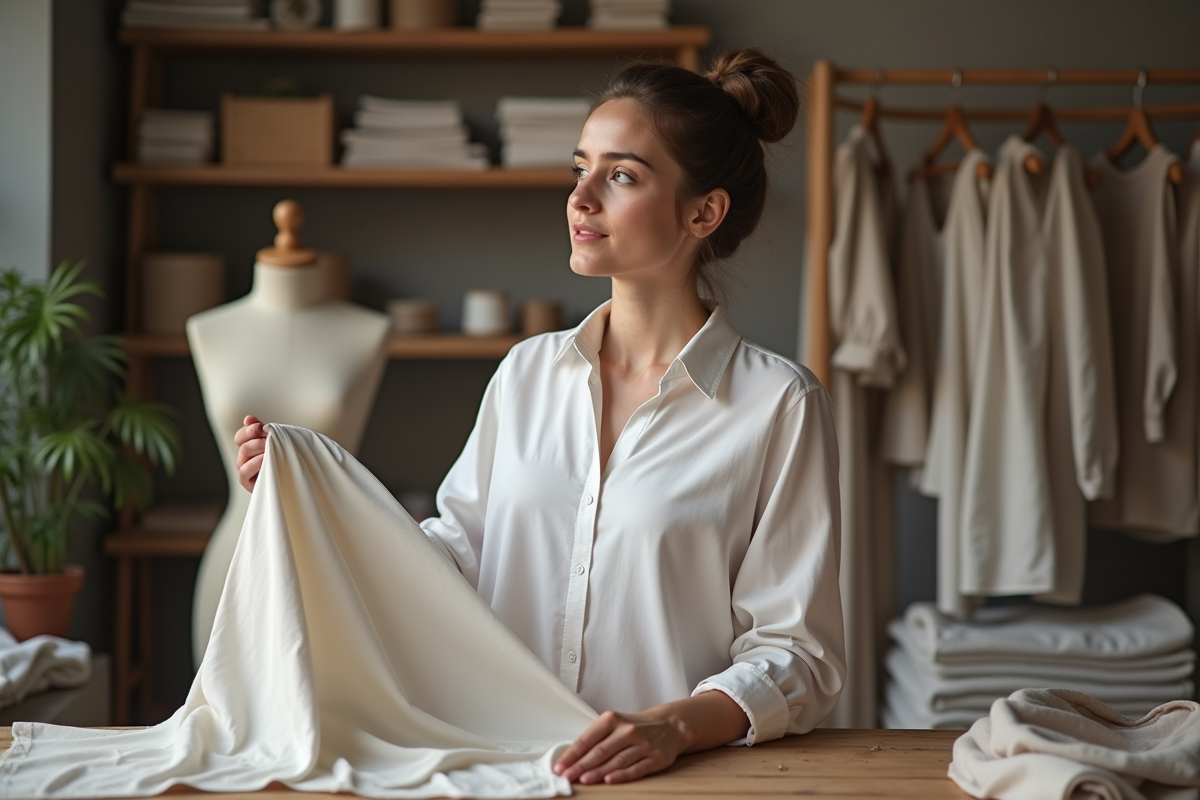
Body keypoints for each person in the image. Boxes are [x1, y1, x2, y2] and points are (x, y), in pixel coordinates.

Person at [233, 48, 845, 786]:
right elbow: (451, 563)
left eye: (621, 175)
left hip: (668, 780)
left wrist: (673, 726)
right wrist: (309, 497)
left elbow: (798, 655)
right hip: (494, 767)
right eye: (579, 168)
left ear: (703, 211)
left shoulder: (779, 405)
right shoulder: (527, 374)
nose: (581, 197)